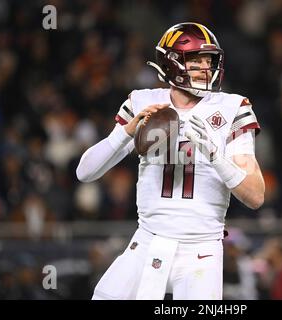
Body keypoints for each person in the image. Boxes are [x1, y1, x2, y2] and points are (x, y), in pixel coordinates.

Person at [76, 22, 265, 300]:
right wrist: (127, 133)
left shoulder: (231, 108)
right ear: (172, 63)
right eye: (196, 60)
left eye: (209, 61)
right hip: (148, 240)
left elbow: (256, 195)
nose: (205, 68)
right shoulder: (144, 103)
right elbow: (84, 172)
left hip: (200, 250)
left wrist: (215, 155)